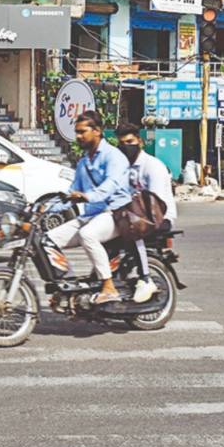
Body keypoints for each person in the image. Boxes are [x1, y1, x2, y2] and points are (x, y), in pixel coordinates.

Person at [47, 111, 132, 305]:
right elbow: (71, 193)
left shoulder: (113, 156)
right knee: (48, 239)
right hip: (93, 216)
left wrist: (87, 196)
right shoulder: (84, 162)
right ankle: (68, 286)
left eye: (82, 132)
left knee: (88, 235)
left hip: (116, 213)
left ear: (97, 131)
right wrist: (44, 208)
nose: (78, 136)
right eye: (76, 132)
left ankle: (109, 287)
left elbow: (110, 186)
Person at [117, 122, 178, 303]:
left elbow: (155, 204)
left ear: (140, 142)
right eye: (121, 144)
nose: (126, 147)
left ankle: (145, 278)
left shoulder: (153, 166)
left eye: (129, 142)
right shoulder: (124, 167)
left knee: (134, 230)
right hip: (136, 214)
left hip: (160, 217)